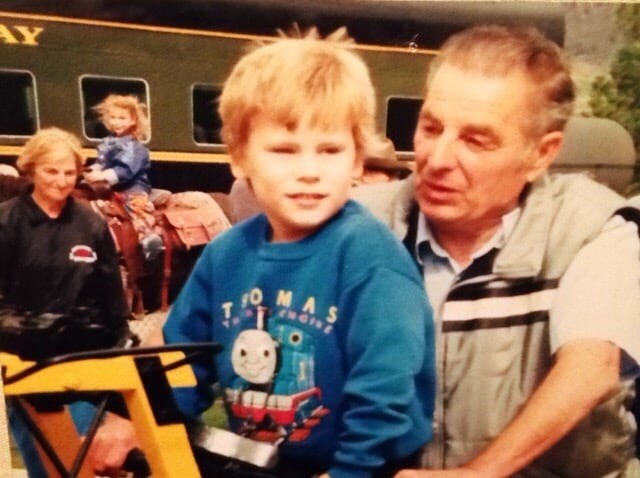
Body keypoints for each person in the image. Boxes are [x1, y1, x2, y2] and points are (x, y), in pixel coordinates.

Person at [87, 32, 436, 478]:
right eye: (284, 151)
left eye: (329, 150)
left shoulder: (370, 258)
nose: (309, 171)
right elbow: (183, 361)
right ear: (239, 159)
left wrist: (351, 472)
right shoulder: (227, 254)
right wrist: (137, 422)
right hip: (259, 461)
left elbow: (387, 392)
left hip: (363, 467)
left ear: (355, 162)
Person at [349, 25, 640, 478]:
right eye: (431, 127)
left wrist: (476, 474)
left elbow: (591, 366)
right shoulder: (361, 224)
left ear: (541, 154)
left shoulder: (593, 228)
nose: (438, 158)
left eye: (475, 140)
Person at [0, 127, 132, 477]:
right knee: (44, 461)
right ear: (31, 170)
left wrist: (121, 334)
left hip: (85, 355)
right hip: (27, 357)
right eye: (51, 171)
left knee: (82, 458)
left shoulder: (90, 222)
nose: (61, 181)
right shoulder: (8, 221)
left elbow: (110, 288)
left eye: (69, 172)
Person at [83, 94, 164, 260]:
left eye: (122, 118)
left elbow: (125, 171)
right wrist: (90, 171)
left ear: (133, 120)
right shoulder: (109, 143)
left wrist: (103, 176)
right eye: (112, 117)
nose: (116, 122)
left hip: (132, 187)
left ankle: (149, 237)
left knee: (136, 207)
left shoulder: (134, 147)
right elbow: (102, 163)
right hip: (112, 187)